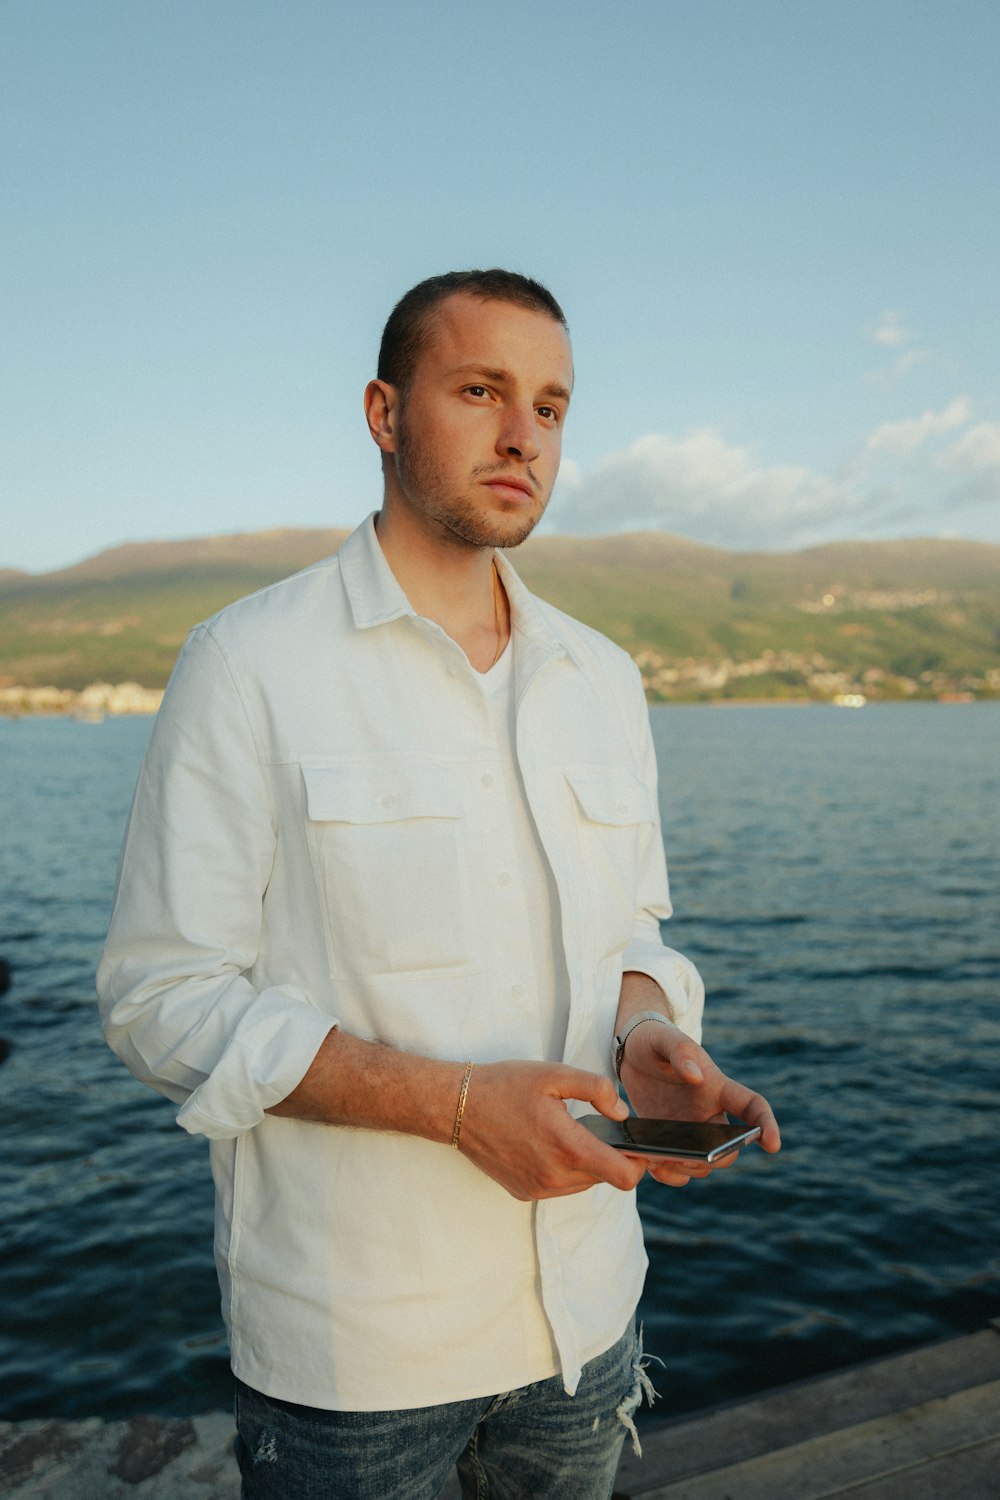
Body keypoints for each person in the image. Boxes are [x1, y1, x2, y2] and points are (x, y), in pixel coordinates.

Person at [97, 269, 780, 1500]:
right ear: (384, 412)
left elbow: (630, 925)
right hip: (357, 1359)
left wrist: (645, 1029)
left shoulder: (603, 677)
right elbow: (160, 1000)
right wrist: (455, 1104)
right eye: (481, 390)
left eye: (554, 407)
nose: (525, 434)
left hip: (587, 1318)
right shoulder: (248, 664)